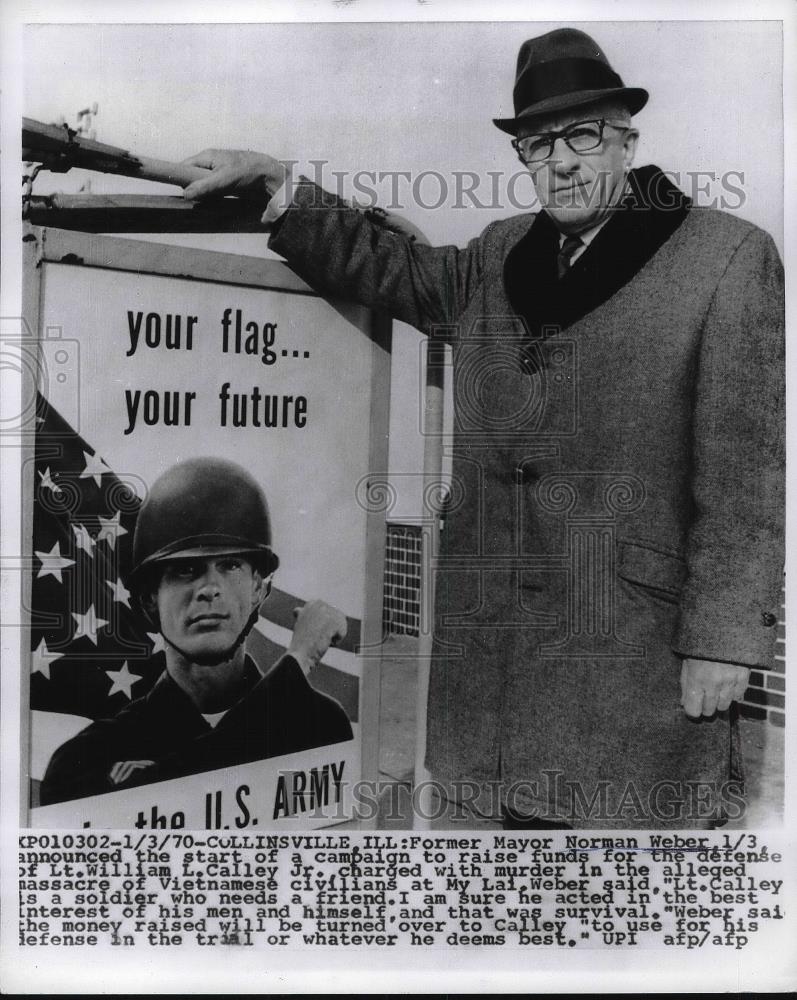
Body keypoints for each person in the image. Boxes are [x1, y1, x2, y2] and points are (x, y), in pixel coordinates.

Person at [176, 28, 784, 829]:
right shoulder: (499, 255)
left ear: (625, 141)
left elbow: (743, 480)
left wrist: (722, 642)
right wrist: (282, 184)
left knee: (623, 916)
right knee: (495, 903)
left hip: (633, 665)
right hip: (490, 672)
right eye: (536, 144)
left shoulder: (727, 258)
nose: (560, 161)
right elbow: (391, 270)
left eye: (582, 135)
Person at [40, 457, 353, 805]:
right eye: (185, 569)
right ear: (149, 601)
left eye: (231, 564)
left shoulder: (321, 724)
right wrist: (297, 664)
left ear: (259, 591)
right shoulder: (84, 760)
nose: (209, 589)